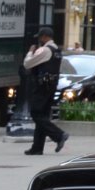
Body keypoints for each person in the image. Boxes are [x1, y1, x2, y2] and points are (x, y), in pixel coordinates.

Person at [21, 25, 69, 156]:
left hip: (42, 86)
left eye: (40, 37)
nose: (39, 40)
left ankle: (59, 135)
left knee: (36, 113)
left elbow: (28, 63)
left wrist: (30, 51)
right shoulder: (57, 50)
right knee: (42, 115)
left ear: (45, 37)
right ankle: (37, 148)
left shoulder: (45, 50)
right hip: (51, 86)